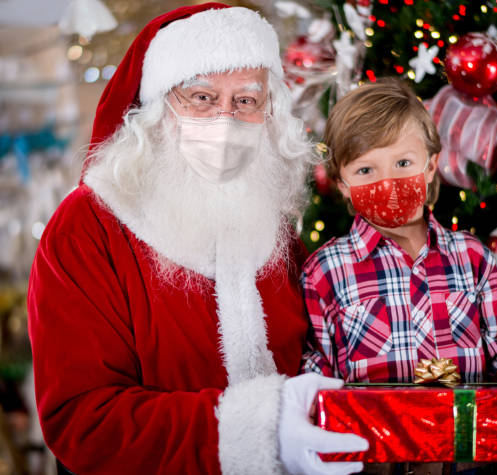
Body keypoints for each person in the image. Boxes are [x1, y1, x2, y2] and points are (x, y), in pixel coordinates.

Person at [27, 4, 368, 475]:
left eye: (246, 100)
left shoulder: (272, 225)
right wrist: (256, 430)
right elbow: (83, 423)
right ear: (157, 107)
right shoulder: (88, 226)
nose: (224, 120)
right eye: (202, 97)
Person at [301, 79, 497, 388]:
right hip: (372, 434)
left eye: (403, 163)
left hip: (462, 430)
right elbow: (319, 368)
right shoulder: (324, 271)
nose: (388, 182)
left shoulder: (472, 257)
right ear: (342, 185)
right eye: (366, 170)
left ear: (431, 167)